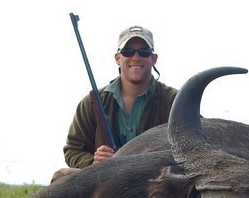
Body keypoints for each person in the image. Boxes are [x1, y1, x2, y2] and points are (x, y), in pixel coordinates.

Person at [62, 25, 178, 170]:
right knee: (60, 176)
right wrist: (93, 162)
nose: (136, 58)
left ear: (153, 59)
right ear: (118, 58)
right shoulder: (91, 102)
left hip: (157, 182)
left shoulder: (176, 101)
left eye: (144, 52)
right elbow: (73, 148)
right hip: (105, 181)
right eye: (128, 51)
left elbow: (198, 143)